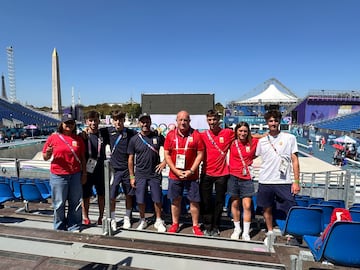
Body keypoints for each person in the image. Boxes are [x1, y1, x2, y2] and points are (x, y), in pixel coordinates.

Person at [255, 110, 300, 245]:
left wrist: (296, 181)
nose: (273, 123)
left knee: (290, 207)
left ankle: (291, 233)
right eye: (270, 121)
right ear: (267, 123)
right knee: (266, 208)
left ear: (279, 121)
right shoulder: (262, 141)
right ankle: (269, 231)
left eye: (275, 120)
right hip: (265, 180)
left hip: (283, 181)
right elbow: (254, 155)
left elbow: (295, 161)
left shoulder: (289, 138)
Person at [42, 114, 87, 232]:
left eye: (71, 123)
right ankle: (59, 227)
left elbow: (82, 158)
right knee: (59, 203)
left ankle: (74, 225)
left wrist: (84, 173)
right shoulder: (53, 138)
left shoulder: (78, 139)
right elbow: (45, 157)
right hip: (58, 175)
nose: (69, 125)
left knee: (76, 202)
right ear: (61, 124)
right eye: (67, 123)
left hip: (75, 174)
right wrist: (48, 153)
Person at [164, 110, 205, 236]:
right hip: (174, 175)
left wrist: (191, 170)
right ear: (176, 121)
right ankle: (175, 223)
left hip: (191, 175)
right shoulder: (170, 135)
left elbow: (200, 154)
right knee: (175, 200)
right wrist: (176, 171)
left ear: (189, 121)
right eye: (180, 120)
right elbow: (167, 154)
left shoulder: (196, 135)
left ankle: (195, 225)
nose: (183, 122)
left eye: (185, 120)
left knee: (194, 201)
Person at [128, 113, 167, 232]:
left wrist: (164, 162)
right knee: (140, 199)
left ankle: (158, 220)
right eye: (142, 122)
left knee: (157, 198)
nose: (145, 124)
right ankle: (142, 220)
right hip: (140, 173)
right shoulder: (134, 139)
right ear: (139, 123)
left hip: (154, 173)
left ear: (150, 122)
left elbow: (168, 150)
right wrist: (131, 176)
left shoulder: (157, 136)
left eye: (147, 121)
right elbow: (130, 159)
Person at [199, 109, 234, 236]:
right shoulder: (203, 135)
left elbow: (245, 136)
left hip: (222, 173)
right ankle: (207, 225)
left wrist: (265, 136)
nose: (212, 122)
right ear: (207, 120)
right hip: (206, 173)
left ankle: (216, 226)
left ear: (219, 120)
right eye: (209, 120)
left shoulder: (228, 133)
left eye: (214, 119)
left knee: (219, 202)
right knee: (206, 201)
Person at [107, 110, 137, 231]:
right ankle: (113, 219)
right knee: (112, 196)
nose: (118, 122)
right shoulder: (108, 131)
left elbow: (144, 135)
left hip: (126, 169)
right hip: (114, 170)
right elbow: (93, 132)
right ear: (113, 121)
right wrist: (85, 131)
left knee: (128, 195)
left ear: (124, 120)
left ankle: (127, 217)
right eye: (115, 120)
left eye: (120, 119)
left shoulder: (131, 133)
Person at [228, 122, 258, 241]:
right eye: (240, 131)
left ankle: (246, 232)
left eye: (245, 131)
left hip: (247, 178)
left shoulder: (253, 142)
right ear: (236, 131)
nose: (242, 133)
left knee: (247, 205)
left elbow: (263, 138)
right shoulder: (232, 142)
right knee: (235, 204)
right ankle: (237, 229)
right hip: (233, 176)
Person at [81, 111, 107, 226]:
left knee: (101, 195)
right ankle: (85, 216)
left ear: (99, 121)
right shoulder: (83, 136)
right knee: (86, 196)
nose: (93, 123)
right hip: (87, 171)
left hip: (101, 170)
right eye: (90, 120)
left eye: (95, 120)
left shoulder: (104, 133)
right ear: (86, 122)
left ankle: (101, 217)